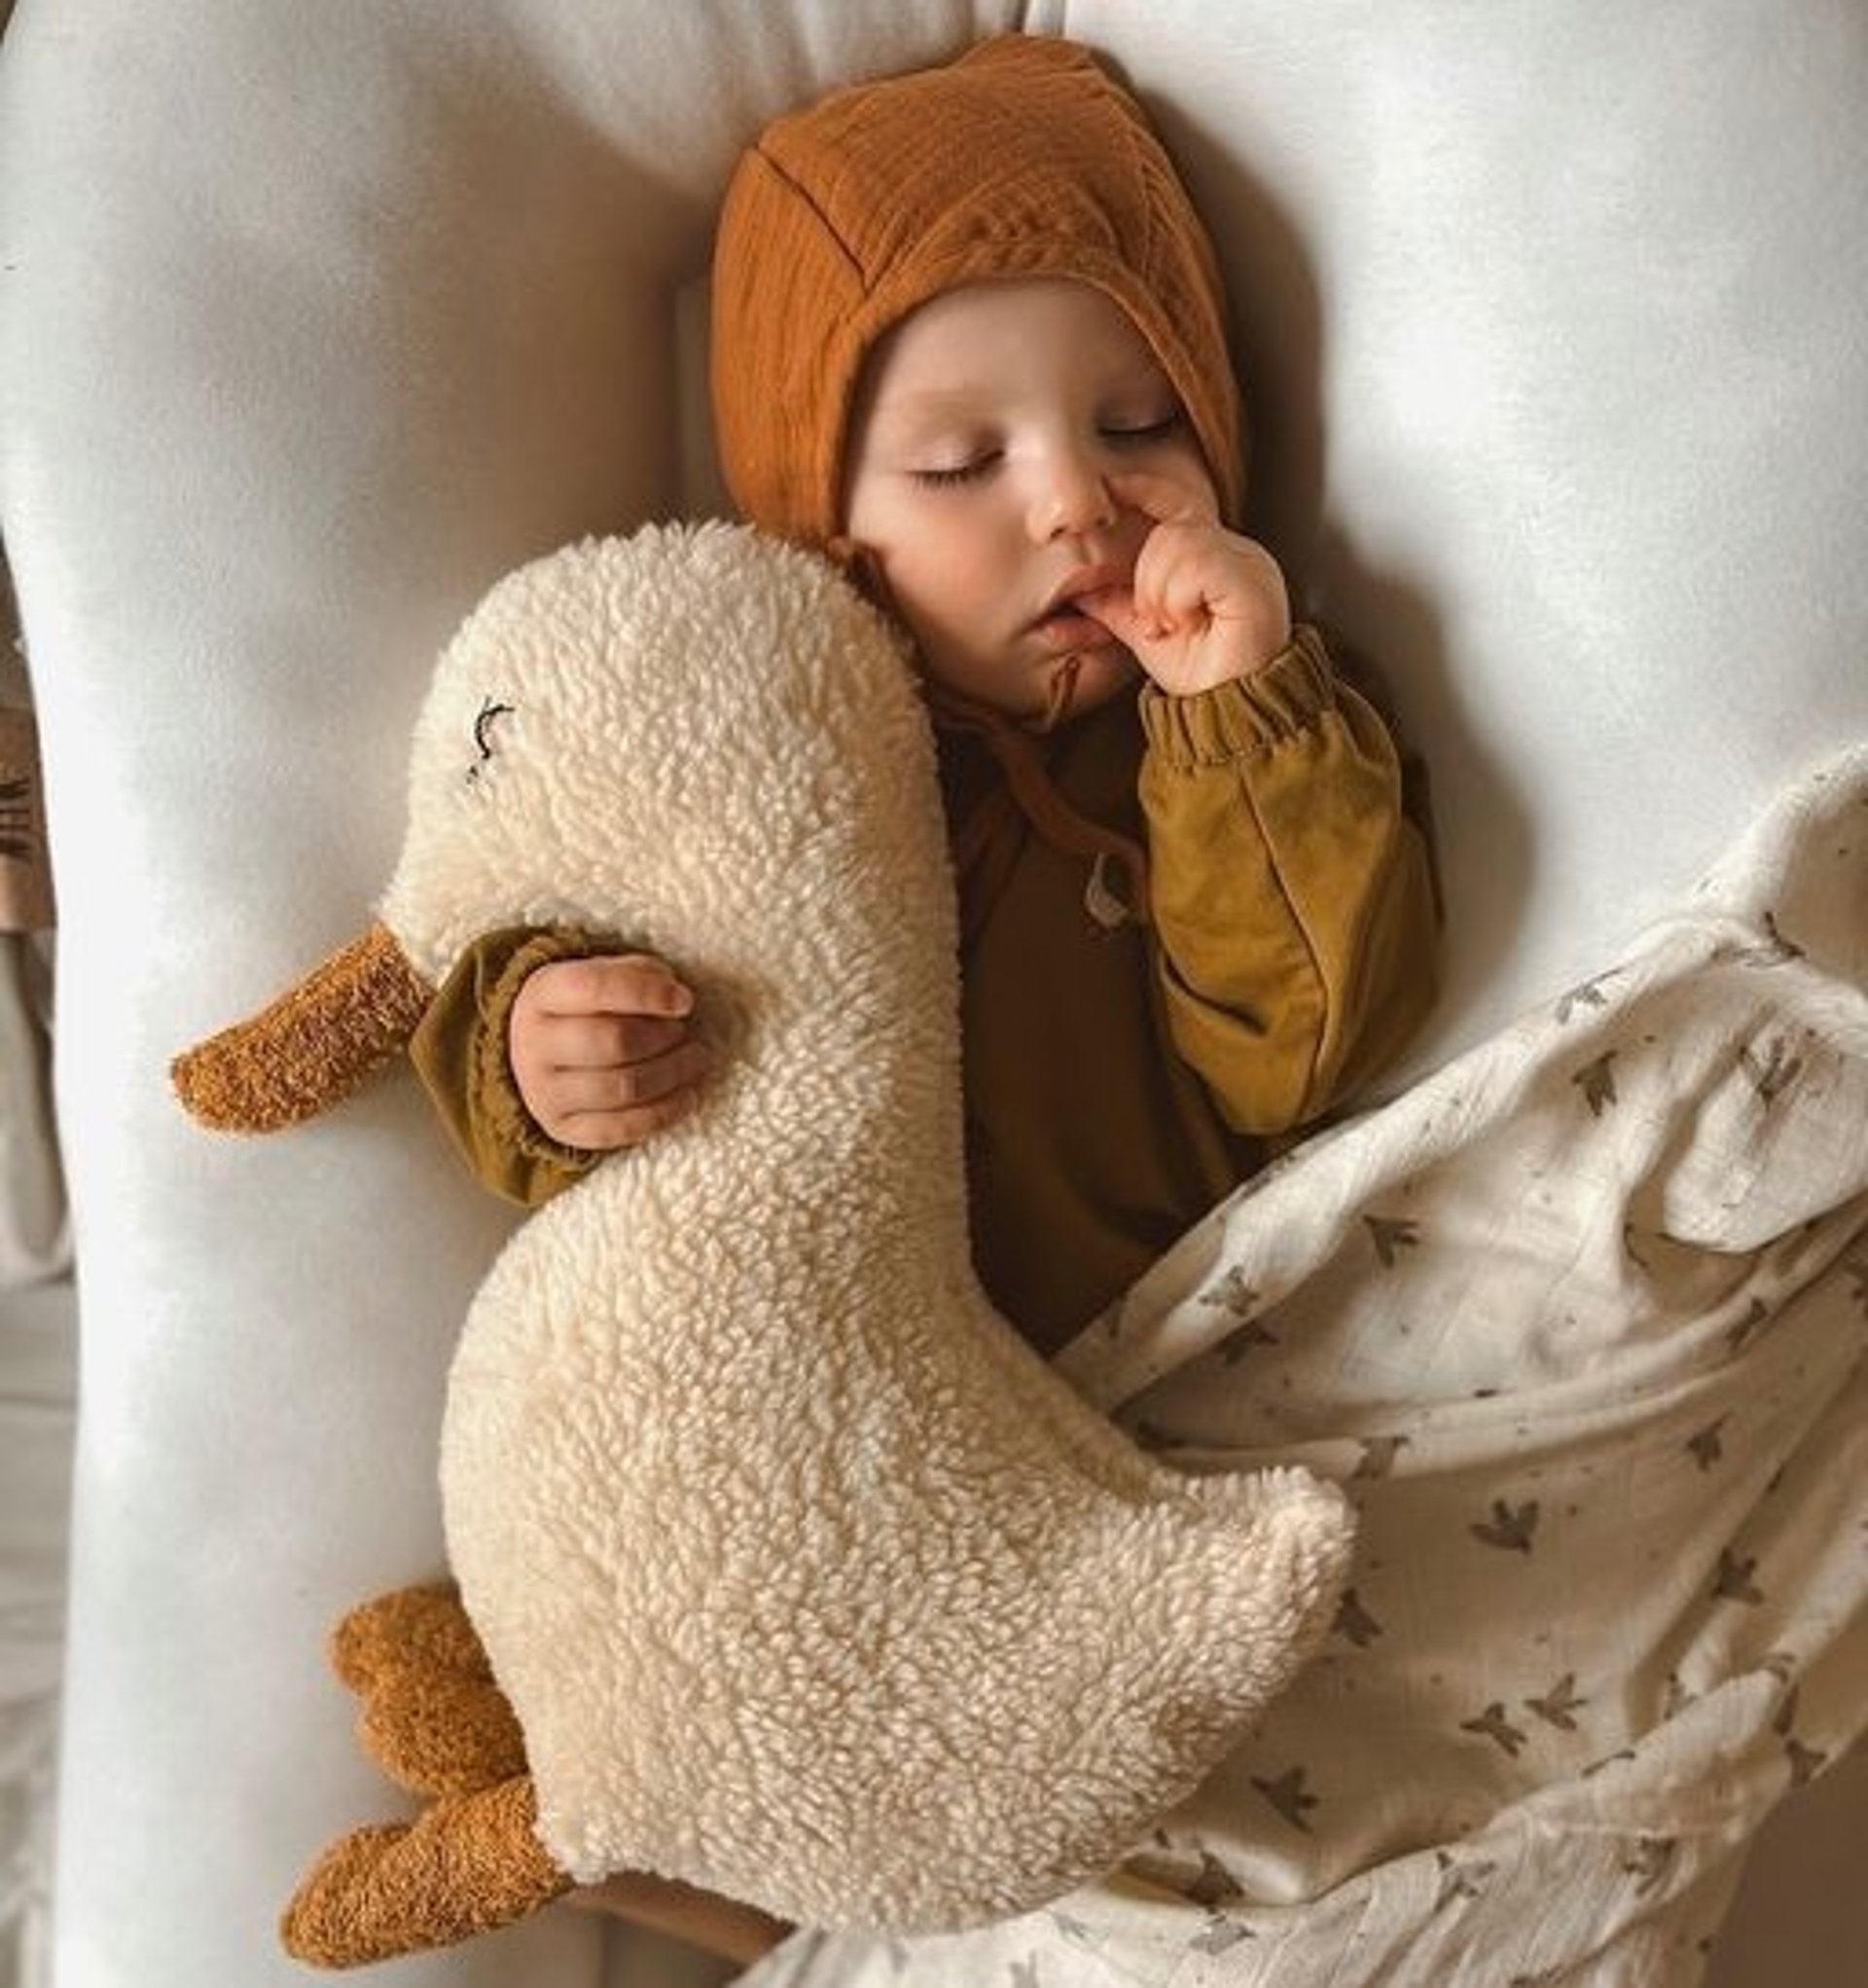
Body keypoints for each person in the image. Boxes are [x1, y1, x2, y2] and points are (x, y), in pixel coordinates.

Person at [408, 30, 1438, 1959]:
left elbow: (1308, 1037)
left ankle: (875, 1899)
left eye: (1143, 423)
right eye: (964, 459)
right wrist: (534, 1046)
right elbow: (531, 920)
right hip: (808, 1408)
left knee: (1143, 1788)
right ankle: (667, 1823)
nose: (1079, 502)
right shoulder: (761, 751)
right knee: (676, 1590)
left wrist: (1242, 715)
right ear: (822, 515)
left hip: (1112, 1419)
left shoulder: (1217, 744)